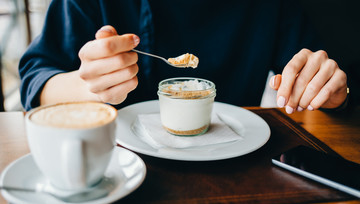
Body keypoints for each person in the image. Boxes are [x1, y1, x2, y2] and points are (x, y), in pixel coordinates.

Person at [19, 0, 349, 114]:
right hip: (116, 172)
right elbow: (35, 80)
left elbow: (323, 80)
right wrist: (86, 88)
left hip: (233, 168)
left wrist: (330, 92)